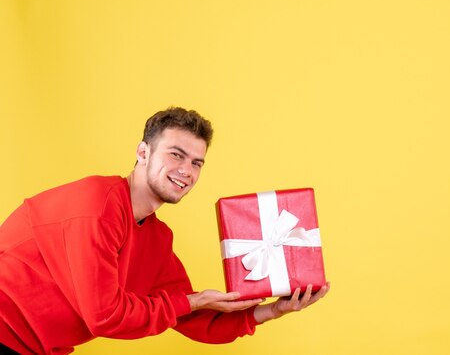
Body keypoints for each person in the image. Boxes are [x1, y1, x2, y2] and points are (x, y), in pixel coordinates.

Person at [0, 107, 330, 355]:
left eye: (197, 163)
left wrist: (273, 309)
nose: (186, 170)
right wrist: (191, 301)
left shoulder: (157, 239)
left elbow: (190, 315)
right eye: (176, 155)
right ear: (143, 153)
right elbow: (105, 316)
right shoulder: (99, 207)